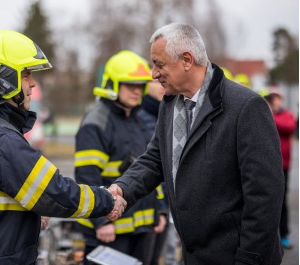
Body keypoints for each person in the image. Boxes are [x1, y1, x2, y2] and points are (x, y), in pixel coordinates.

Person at [0, 30, 126, 265]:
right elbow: (55, 192)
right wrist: (106, 200)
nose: (33, 83)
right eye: (26, 74)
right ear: (2, 78)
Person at [109, 22, 284, 265]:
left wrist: (248, 259)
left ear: (187, 60)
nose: (153, 74)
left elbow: (265, 196)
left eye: (159, 64)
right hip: (193, 256)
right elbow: (156, 159)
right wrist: (123, 188)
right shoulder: (169, 104)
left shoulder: (246, 107)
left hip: (237, 258)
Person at [74, 50, 163, 265]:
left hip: (142, 228)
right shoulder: (96, 122)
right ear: (112, 84)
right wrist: (101, 221)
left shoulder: (136, 119)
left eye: (140, 86)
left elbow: (150, 168)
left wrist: (159, 211)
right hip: (110, 232)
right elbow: (87, 176)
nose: (136, 91)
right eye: (129, 85)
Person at [137, 80, 169, 265]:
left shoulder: (168, 112)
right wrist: (160, 209)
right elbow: (150, 167)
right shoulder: (141, 118)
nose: (161, 85)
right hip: (150, 207)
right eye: (155, 81)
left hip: (164, 206)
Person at [264, 86, 296, 249]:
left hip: (282, 165)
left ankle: (283, 234)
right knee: (264, 200)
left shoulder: (286, 115)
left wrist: (270, 113)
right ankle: (268, 235)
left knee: (281, 201)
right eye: (271, 98)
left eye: (276, 97)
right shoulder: (260, 112)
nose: (273, 100)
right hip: (265, 164)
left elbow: (289, 128)